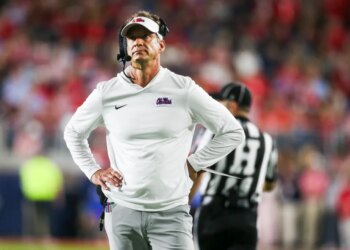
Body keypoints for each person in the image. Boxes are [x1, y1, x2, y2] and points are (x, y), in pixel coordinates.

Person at [64, 10, 245, 250]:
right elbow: (73, 132)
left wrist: (194, 163)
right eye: (132, 37)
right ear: (126, 46)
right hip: (121, 212)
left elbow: (232, 131)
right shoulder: (106, 92)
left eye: (146, 36)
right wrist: (93, 171)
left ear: (161, 44)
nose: (138, 41)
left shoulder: (184, 90)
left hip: (171, 213)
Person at [192, 82, 278, 250]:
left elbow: (195, 171)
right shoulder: (266, 140)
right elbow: (269, 184)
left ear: (231, 106)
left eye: (220, 103)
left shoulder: (212, 131)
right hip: (247, 218)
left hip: (214, 215)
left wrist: (181, 206)